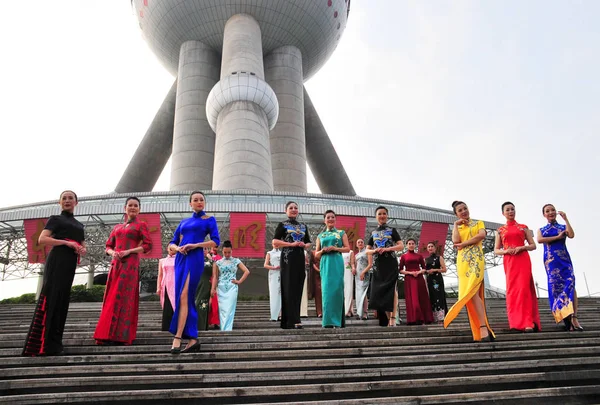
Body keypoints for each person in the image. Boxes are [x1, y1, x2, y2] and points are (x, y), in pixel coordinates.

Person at [22, 190, 86, 357]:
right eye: (64, 198)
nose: (67, 201)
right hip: (57, 259)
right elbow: (42, 239)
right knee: (52, 297)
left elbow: (83, 246)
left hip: (70, 264)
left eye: (70, 198)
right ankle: (44, 344)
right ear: (59, 202)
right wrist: (66, 243)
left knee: (63, 301)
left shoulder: (80, 225)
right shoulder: (55, 219)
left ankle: (56, 343)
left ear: (76, 203)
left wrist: (80, 248)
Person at [94, 197, 152, 345]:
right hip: (116, 264)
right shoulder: (117, 227)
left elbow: (147, 245)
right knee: (112, 296)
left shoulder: (141, 225)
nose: (133, 208)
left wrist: (129, 251)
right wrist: (113, 253)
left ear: (139, 209)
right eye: (130, 205)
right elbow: (108, 246)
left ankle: (121, 336)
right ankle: (106, 333)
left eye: (136, 206)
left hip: (130, 264)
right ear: (125, 208)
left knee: (125, 297)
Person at [168, 191, 220, 354]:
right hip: (181, 259)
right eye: (195, 200)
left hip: (195, 258)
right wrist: (177, 248)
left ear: (204, 203)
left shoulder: (209, 220)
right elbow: (172, 242)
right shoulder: (184, 221)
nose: (199, 202)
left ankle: (178, 336)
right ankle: (192, 338)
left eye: (201, 200)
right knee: (183, 297)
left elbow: (215, 241)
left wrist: (195, 245)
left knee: (185, 295)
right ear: (190, 203)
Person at [444, 201, 495, 342]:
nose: (464, 211)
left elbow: (481, 236)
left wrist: (464, 244)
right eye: (460, 210)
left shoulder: (478, 223)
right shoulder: (458, 227)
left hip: (476, 259)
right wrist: (455, 225)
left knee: (473, 291)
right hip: (463, 263)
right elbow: (455, 241)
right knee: (471, 294)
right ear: (456, 214)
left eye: (465, 208)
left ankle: (483, 327)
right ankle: (482, 328)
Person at [494, 202, 541, 332]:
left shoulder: (523, 227)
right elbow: (496, 250)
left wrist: (522, 247)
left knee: (524, 288)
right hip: (509, 261)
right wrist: (506, 251)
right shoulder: (500, 230)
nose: (510, 211)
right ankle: (515, 322)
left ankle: (528, 322)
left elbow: (533, 245)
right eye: (507, 210)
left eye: (512, 209)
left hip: (523, 259)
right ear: (503, 213)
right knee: (513, 290)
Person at [537, 204, 582, 331]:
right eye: (547, 211)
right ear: (544, 214)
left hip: (564, 260)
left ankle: (574, 317)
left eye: (552, 210)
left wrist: (566, 219)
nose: (550, 212)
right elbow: (540, 240)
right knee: (556, 288)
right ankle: (565, 316)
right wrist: (557, 237)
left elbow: (571, 235)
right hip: (551, 262)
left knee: (571, 283)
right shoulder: (542, 230)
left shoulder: (562, 227)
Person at [272, 201, 311, 329]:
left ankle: (297, 318)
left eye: (295, 208)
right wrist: (291, 244)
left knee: (298, 287)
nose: (294, 209)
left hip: (300, 258)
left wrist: (305, 245)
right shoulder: (282, 225)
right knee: (288, 287)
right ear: (286, 211)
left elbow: (309, 242)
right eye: (291, 208)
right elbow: (275, 241)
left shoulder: (303, 225)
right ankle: (289, 321)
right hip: (288, 258)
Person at [367, 206, 404, 327]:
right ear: (376, 216)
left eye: (384, 213)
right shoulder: (373, 233)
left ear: (387, 216)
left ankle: (393, 318)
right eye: (379, 214)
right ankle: (389, 319)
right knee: (380, 292)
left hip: (390, 263)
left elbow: (400, 246)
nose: (382, 216)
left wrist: (388, 249)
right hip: (378, 265)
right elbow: (367, 250)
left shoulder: (392, 230)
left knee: (392, 290)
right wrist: (375, 251)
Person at [315, 210, 351, 328]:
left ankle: (337, 320)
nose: (330, 219)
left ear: (335, 219)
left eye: (332, 217)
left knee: (337, 289)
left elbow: (347, 249)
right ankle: (328, 321)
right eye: (328, 217)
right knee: (326, 291)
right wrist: (322, 251)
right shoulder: (320, 236)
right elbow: (316, 254)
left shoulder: (341, 233)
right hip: (325, 263)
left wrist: (335, 248)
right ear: (324, 220)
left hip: (336, 262)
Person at [211, 240, 250, 331]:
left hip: (232, 287)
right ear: (222, 251)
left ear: (232, 251)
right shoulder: (217, 262)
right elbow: (215, 277)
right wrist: (213, 289)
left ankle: (227, 329)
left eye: (229, 252)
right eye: (225, 252)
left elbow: (247, 271)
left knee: (229, 309)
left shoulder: (236, 261)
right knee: (222, 310)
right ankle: (223, 329)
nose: (227, 254)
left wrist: (239, 281)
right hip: (221, 288)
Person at [399, 239, 434, 325]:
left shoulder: (419, 256)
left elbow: (424, 268)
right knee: (413, 299)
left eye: (413, 244)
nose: (411, 245)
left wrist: (418, 272)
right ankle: (413, 319)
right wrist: (410, 273)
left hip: (419, 279)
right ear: (406, 245)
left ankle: (424, 318)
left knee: (422, 298)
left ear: (415, 245)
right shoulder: (403, 256)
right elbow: (400, 270)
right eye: (409, 244)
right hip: (409, 279)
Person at [424, 242, 448, 323]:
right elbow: (424, 270)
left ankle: (441, 317)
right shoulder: (426, 259)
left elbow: (444, 269)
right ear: (427, 249)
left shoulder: (439, 258)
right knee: (431, 296)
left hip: (437, 279)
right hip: (429, 280)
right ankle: (433, 317)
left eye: (431, 246)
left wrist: (435, 270)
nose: (430, 248)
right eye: (429, 246)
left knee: (439, 296)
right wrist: (427, 271)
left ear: (435, 248)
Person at [157, 245, 177, 331]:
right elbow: (160, 275)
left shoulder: (179, 260)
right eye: (170, 249)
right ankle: (166, 326)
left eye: (173, 249)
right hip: (165, 284)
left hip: (175, 284)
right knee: (167, 305)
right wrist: (158, 287)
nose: (172, 251)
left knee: (175, 305)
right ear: (167, 249)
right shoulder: (162, 261)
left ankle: (176, 326)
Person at [195, 248, 214, 332]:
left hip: (205, 285)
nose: (203, 250)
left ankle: (202, 327)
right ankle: (195, 327)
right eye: (201, 249)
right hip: (194, 285)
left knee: (202, 306)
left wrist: (209, 257)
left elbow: (215, 272)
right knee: (195, 305)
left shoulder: (210, 262)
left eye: (205, 249)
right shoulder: (194, 260)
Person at [355, 239, 372, 320]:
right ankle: (359, 312)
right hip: (357, 276)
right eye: (358, 242)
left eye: (362, 242)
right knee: (358, 294)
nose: (360, 243)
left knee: (363, 293)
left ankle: (365, 313)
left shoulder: (367, 251)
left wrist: (363, 272)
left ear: (364, 244)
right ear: (356, 245)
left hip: (365, 275)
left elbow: (370, 264)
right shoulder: (356, 255)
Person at [264, 246, 282, 321]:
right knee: (274, 294)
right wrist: (274, 268)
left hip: (282, 273)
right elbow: (265, 265)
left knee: (281, 294)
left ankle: (281, 314)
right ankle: (274, 314)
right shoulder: (269, 253)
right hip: (273, 274)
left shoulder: (282, 253)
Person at [208, 246, 221, 329]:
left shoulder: (220, 258)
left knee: (215, 303)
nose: (214, 249)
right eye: (213, 247)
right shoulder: (205, 256)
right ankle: (206, 321)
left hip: (215, 282)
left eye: (216, 247)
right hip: (205, 281)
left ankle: (215, 322)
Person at [342, 250, 356, 318]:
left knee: (348, 289)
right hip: (340, 271)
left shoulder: (350, 252)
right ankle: (347, 310)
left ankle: (347, 310)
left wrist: (353, 268)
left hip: (348, 270)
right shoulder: (338, 251)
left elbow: (352, 263)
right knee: (342, 291)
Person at [310, 249, 323, 318]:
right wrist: (318, 270)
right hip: (317, 274)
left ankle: (326, 311)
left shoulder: (326, 250)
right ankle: (319, 312)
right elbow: (312, 263)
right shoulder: (313, 252)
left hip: (326, 271)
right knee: (318, 293)